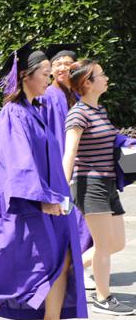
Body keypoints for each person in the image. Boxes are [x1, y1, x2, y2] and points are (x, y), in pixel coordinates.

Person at [0, 41, 86, 320]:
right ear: (25, 75)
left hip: (42, 200)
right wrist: (42, 198)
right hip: (21, 204)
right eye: (46, 73)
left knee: (59, 255)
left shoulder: (35, 110)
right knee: (22, 261)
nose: (50, 79)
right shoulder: (12, 114)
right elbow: (18, 162)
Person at [62, 59, 134, 316]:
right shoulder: (78, 113)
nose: (106, 78)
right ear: (87, 83)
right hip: (88, 184)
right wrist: (62, 189)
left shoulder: (99, 110)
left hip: (107, 183)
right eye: (101, 75)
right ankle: (104, 298)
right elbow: (69, 152)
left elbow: (112, 140)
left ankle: (65, 272)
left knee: (116, 243)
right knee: (104, 245)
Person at [38, 45, 95, 288]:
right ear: (50, 70)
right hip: (61, 171)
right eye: (57, 63)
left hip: (85, 168)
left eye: (67, 63)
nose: (62, 67)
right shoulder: (47, 98)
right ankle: (71, 270)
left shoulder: (81, 96)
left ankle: (82, 268)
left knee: (88, 221)